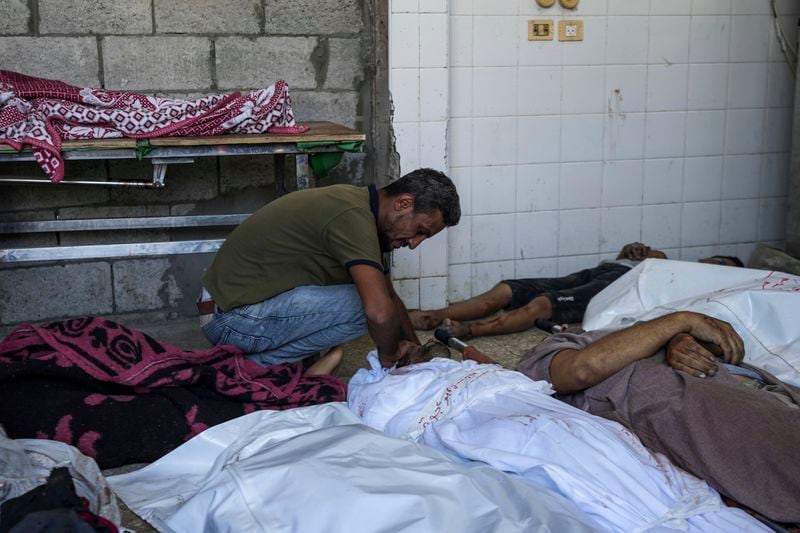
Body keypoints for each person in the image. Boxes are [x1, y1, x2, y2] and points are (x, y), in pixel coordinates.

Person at [347, 346, 766, 531]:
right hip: (488, 421)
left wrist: (476, 364)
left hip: (530, 412)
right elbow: (389, 424)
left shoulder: (472, 370)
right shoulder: (378, 386)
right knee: (564, 471)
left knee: (612, 454)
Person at [516, 310, 800, 524]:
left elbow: (727, 345)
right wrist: (680, 321)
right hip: (730, 414)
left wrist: (679, 338)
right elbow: (580, 370)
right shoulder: (556, 351)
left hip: (768, 392)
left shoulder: (655, 335)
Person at [199, 168, 460, 369]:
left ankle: (258, 365)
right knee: (367, 306)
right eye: (419, 232)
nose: (414, 244)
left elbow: (390, 295)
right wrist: (391, 356)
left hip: (231, 312)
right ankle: (259, 366)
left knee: (377, 299)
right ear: (403, 203)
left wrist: (413, 349)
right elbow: (380, 311)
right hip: (231, 320)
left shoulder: (360, 210)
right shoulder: (352, 217)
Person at [409, 242, 742, 338]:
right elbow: (629, 253)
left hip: (613, 289)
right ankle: (432, 316)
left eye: (722, 266)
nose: (713, 262)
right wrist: (634, 250)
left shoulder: (693, 284)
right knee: (508, 289)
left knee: (541, 305)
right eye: (717, 259)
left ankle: (465, 331)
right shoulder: (670, 261)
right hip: (600, 272)